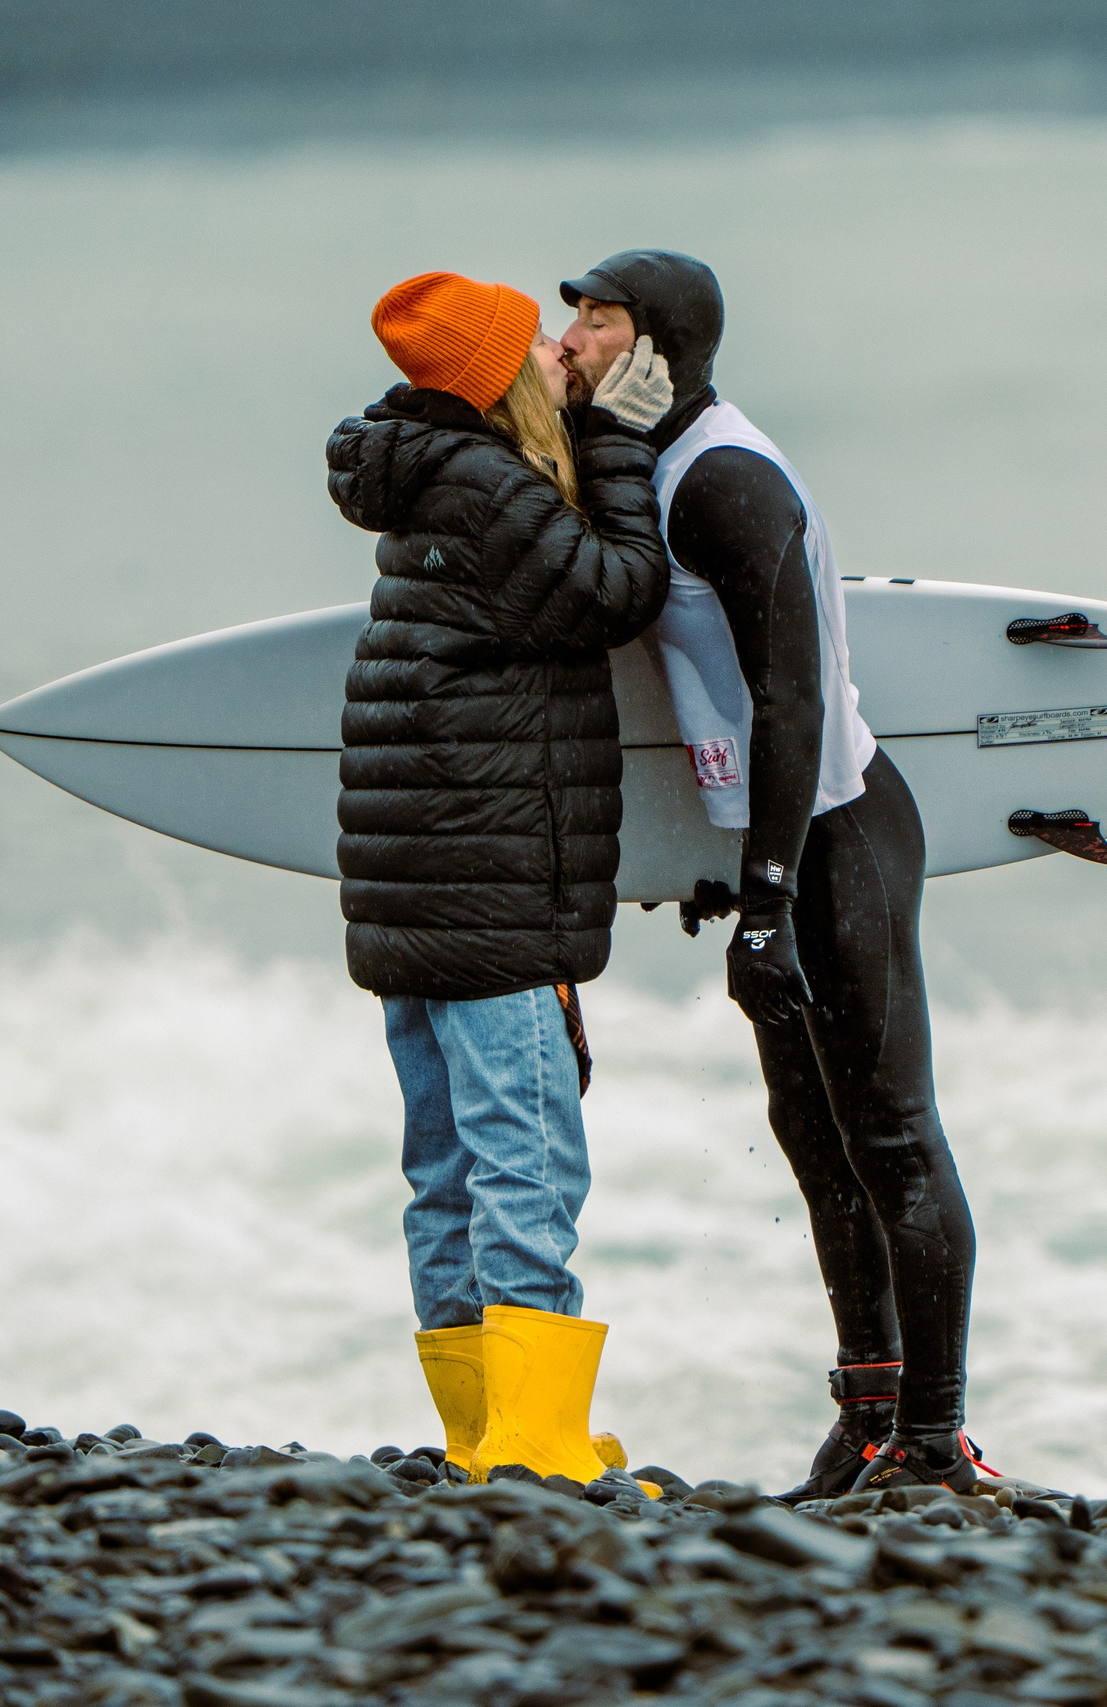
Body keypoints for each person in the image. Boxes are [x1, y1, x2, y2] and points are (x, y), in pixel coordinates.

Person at [557, 251, 983, 1496]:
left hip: (839, 834)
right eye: (570, 312)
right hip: (776, 843)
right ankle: (866, 1416)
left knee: (891, 1139)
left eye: (597, 317)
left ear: (661, 349)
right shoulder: (653, 464)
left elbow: (791, 699)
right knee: (811, 1137)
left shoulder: (729, 481)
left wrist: (774, 892)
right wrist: (724, 866)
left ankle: (933, 1442)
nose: (568, 334)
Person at [325, 270, 673, 1486]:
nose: (561, 355)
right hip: (488, 896)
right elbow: (615, 591)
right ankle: (532, 1440)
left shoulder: (427, 475)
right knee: (527, 1153)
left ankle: (479, 1434)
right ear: (497, 377)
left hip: (412, 891)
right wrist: (623, 444)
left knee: (446, 1168)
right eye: (541, 343)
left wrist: (581, 436)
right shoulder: (486, 486)